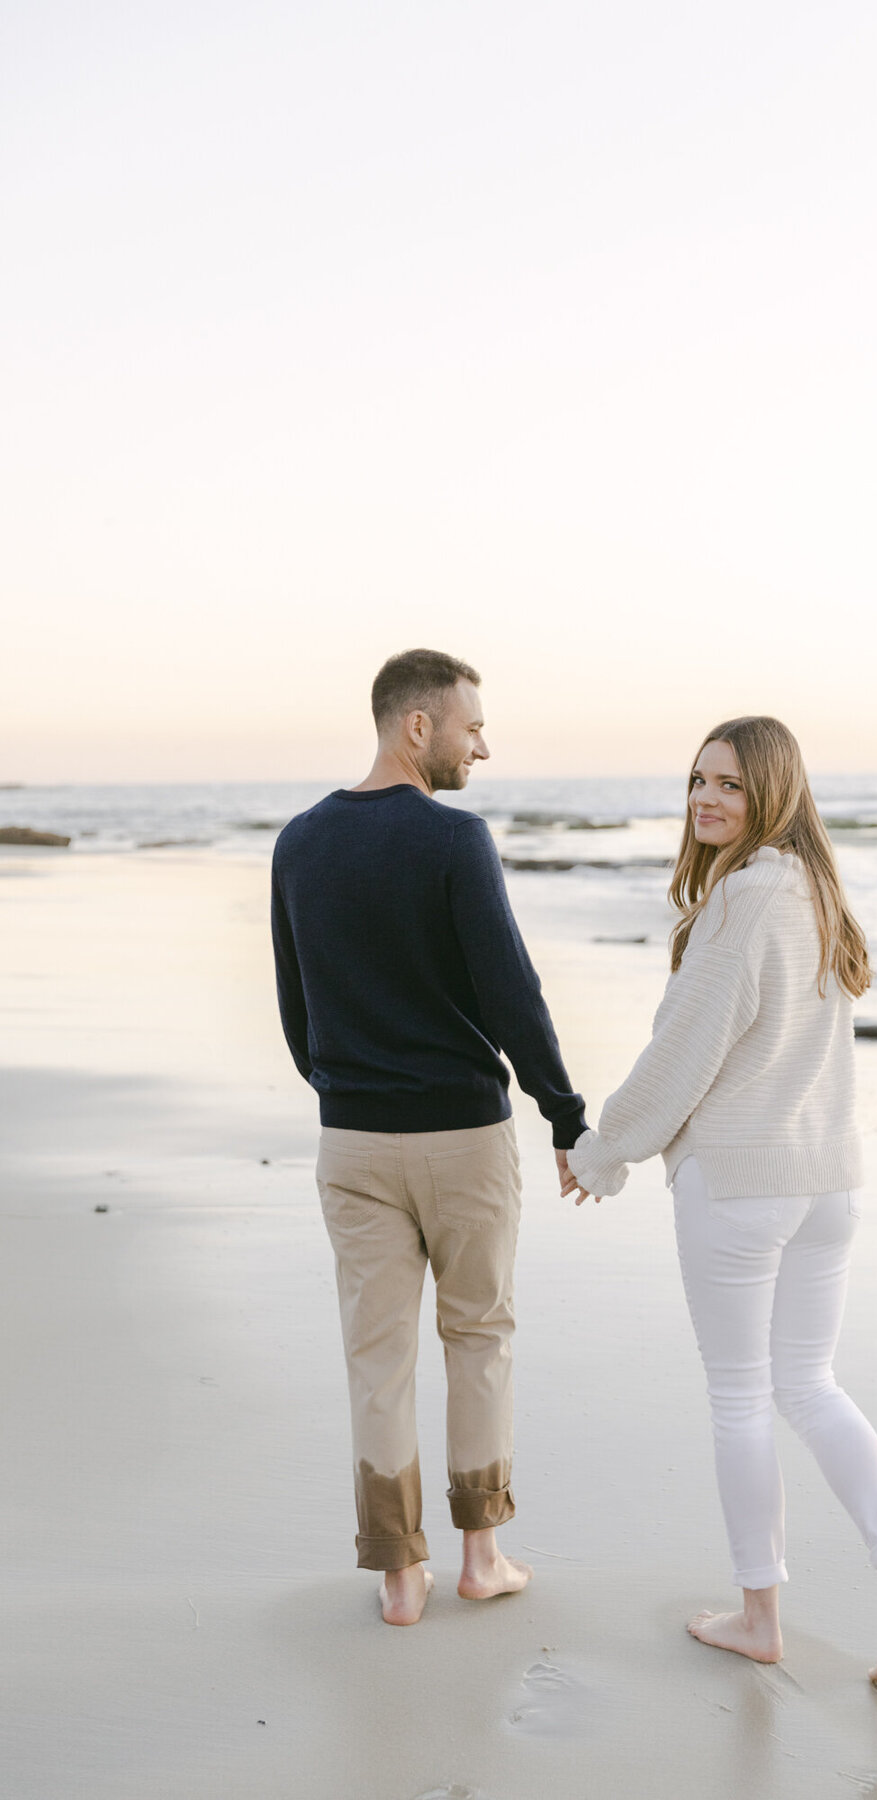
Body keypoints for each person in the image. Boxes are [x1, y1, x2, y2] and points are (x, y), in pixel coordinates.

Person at [564, 716, 877, 1681]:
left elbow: (685, 1054)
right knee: (811, 1387)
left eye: (730, 784)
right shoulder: (820, 891)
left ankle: (758, 1617)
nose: (706, 799)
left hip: (741, 1186)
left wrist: (604, 1150)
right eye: (698, 780)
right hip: (826, 1185)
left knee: (741, 1397)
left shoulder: (745, 897)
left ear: (772, 792)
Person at [271, 648, 587, 1626]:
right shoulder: (455, 841)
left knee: (378, 1358)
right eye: (471, 725)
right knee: (478, 1338)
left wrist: (345, 1088)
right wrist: (564, 1111)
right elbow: (511, 993)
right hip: (461, 1138)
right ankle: (480, 1558)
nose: (481, 745)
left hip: (353, 1141)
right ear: (418, 725)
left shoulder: (297, 843)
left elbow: (296, 1012)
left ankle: (398, 1576)